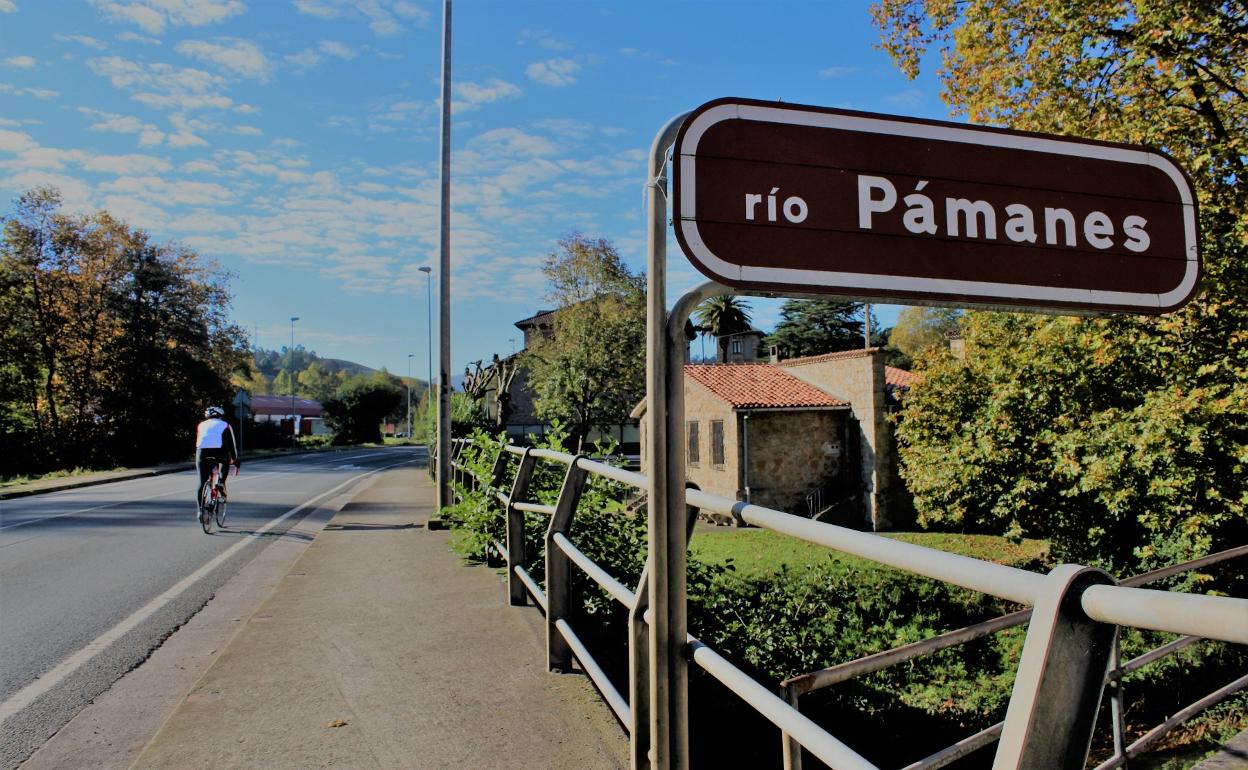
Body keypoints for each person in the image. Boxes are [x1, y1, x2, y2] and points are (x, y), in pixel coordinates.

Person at [195, 406, 239, 518]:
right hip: (219, 452)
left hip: (202, 452)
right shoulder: (225, 425)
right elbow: (231, 445)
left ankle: (200, 511)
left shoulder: (200, 425)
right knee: (226, 461)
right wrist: (235, 459)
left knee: (201, 481)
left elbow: (201, 440)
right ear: (221, 415)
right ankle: (221, 481)